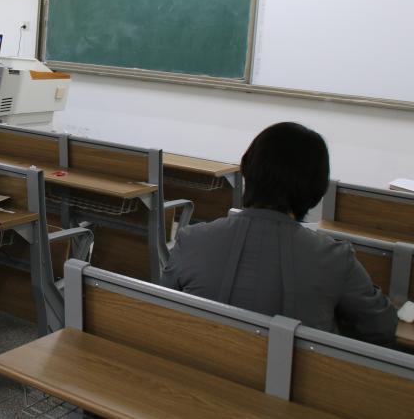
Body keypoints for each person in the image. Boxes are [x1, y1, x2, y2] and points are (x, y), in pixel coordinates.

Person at [162, 122, 397, 345]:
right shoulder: (334, 258)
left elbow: (161, 309)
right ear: (317, 189)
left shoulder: (192, 239)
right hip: (292, 375)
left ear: (247, 170)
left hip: (203, 367)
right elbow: (381, 326)